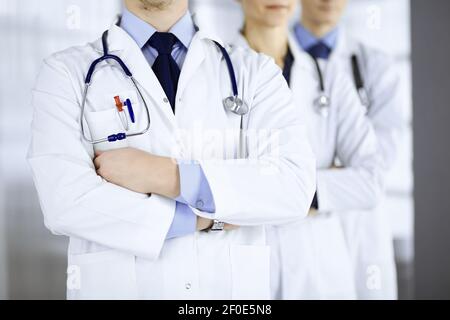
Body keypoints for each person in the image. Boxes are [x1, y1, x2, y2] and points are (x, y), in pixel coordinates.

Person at [27, 0, 316, 300]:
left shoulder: (255, 73)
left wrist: (167, 176)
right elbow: (65, 201)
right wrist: (202, 219)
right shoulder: (65, 73)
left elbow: (293, 186)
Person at [235, 0, 384, 299]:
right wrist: (319, 185)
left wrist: (287, 190)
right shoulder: (215, 74)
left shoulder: (329, 78)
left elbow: (371, 181)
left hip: (319, 270)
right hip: (244, 262)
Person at [298, 0, 403, 299]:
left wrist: (306, 181)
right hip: (299, 229)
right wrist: (344, 176)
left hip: (361, 225)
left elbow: (381, 158)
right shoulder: (274, 60)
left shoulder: (375, 64)